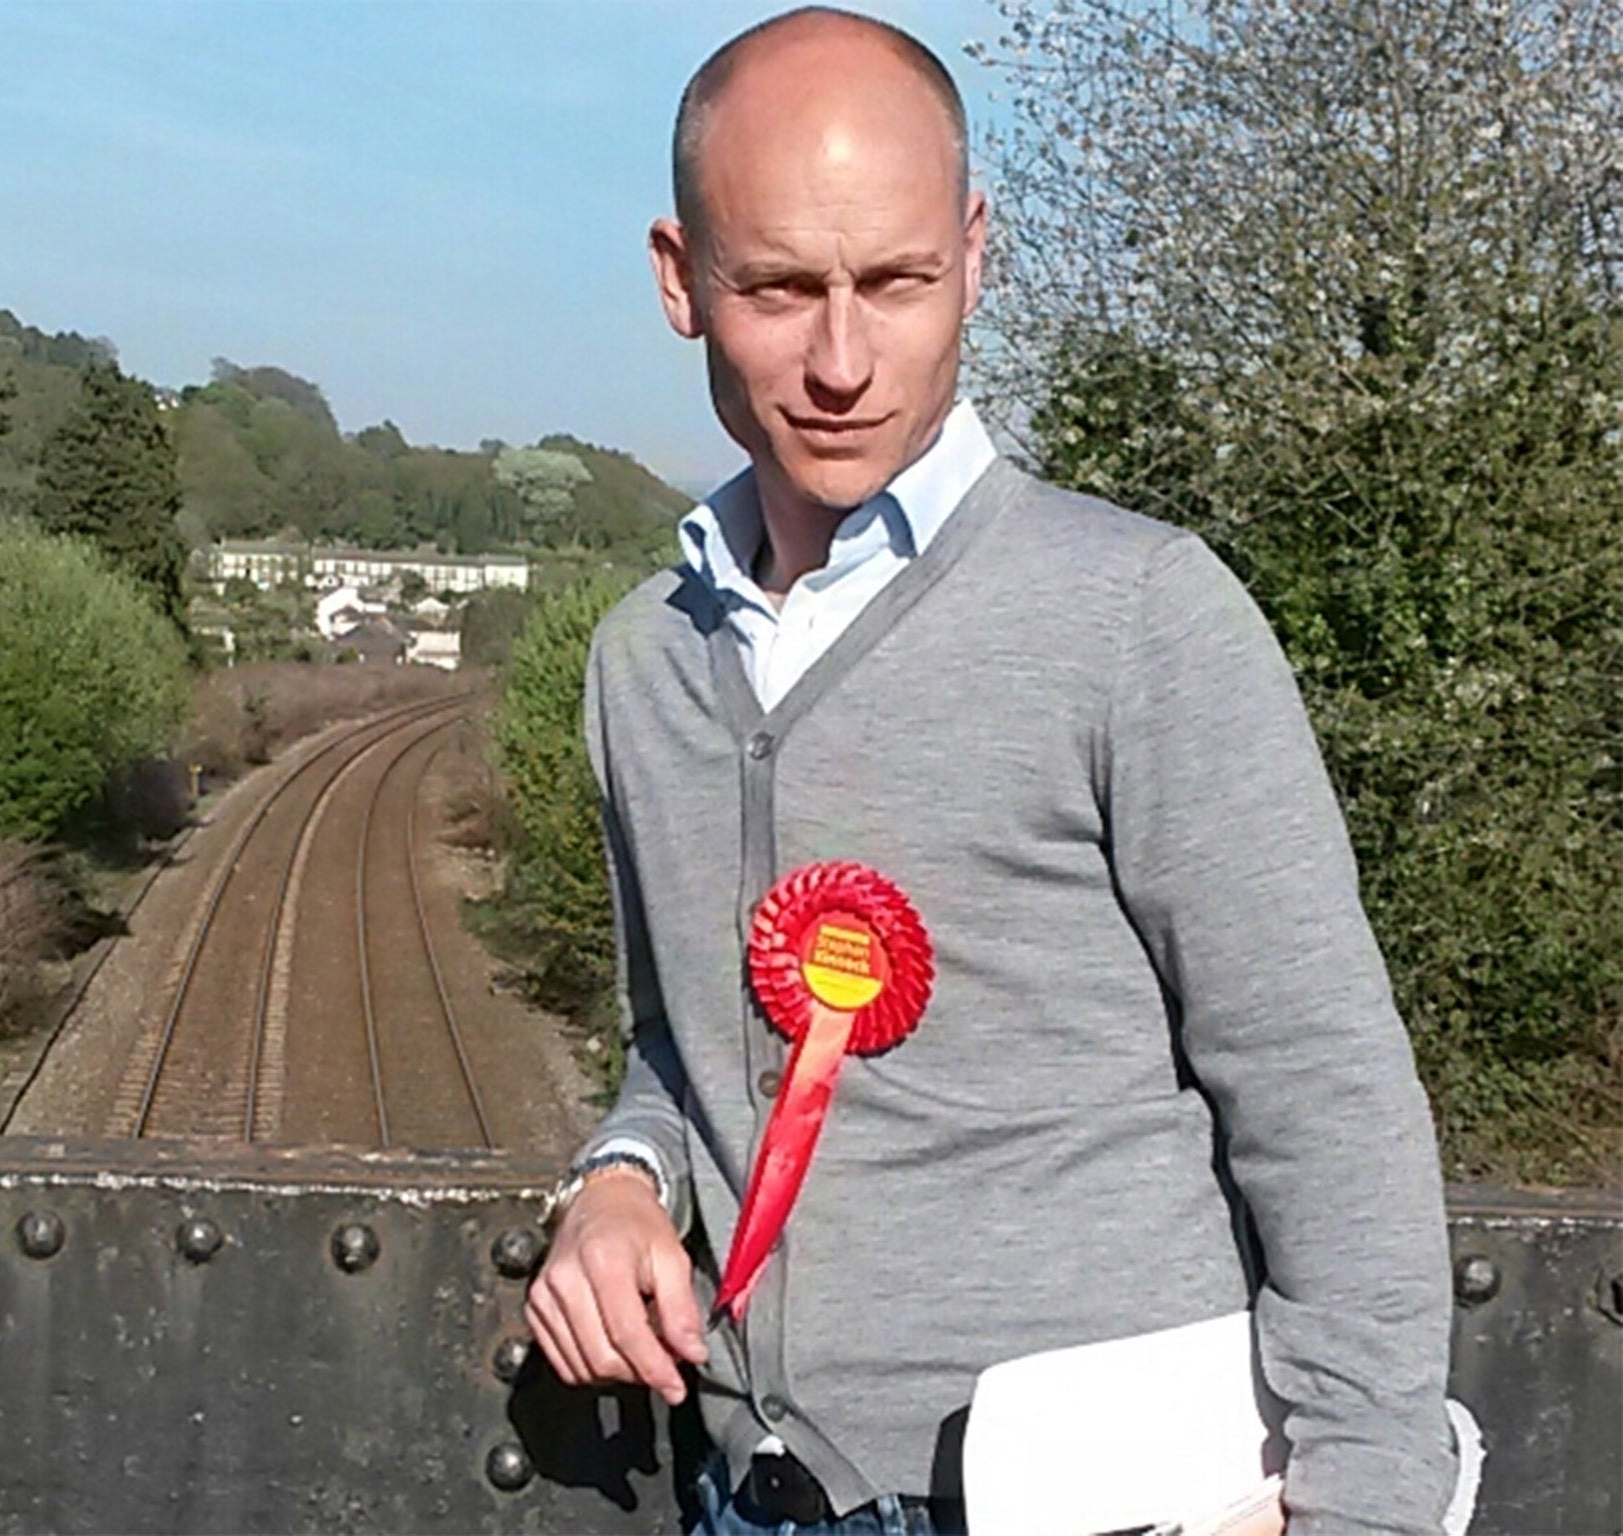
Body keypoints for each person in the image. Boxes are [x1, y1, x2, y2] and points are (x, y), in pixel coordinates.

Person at [524, 8, 1463, 1535]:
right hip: (748, 1499)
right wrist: (620, 1178)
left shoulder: (1142, 615)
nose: (841, 361)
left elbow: (1324, 1096)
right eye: (778, 288)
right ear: (680, 278)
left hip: (1113, 1502)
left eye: (893, 281)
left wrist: (1366, 1506)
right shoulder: (643, 662)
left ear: (975, 252)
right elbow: (675, 1040)